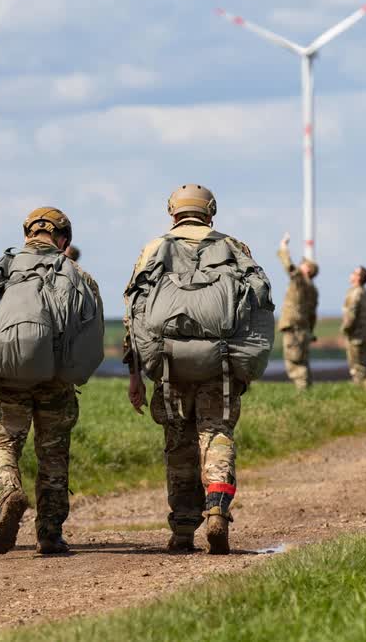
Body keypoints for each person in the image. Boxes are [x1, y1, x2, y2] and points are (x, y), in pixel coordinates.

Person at [124, 184, 269, 555]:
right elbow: (257, 303)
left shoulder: (154, 249)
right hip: (218, 366)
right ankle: (217, 505)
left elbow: (134, 311)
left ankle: (184, 530)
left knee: (178, 444)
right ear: (211, 212)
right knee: (216, 433)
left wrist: (136, 373)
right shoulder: (235, 248)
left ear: (172, 212)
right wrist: (243, 363)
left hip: (168, 366)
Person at [0, 208, 103, 555]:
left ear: (27, 235)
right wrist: (71, 373)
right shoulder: (78, 274)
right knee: (53, 455)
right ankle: (49, 533)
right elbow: (91, 336)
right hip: (55, 381)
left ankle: (8, 493)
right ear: (63, 240)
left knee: (2, 446)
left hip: (5, 378)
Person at [277, 233, 318, 390]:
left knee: (294, 363)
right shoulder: (313, 289)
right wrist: (311, 331)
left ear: (307, 270)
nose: (301, 265)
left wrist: (283, 246)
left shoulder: (300, 281)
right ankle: (307, 393)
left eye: (304, 264)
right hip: (303, 329)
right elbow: (312, 314)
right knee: (302, 361)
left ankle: (303, 394)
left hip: (294, 328)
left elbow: (289, 266)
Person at [342, 265, 366, 383]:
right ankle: (365, 387)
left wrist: (346, 329)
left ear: (358, 278)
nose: (351, 274)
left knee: (356, 367)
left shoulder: (355, 293)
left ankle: (360, 389)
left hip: (356, 334)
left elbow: (351, 314)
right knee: (363, 365)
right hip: (365, 332)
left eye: (354, 272)